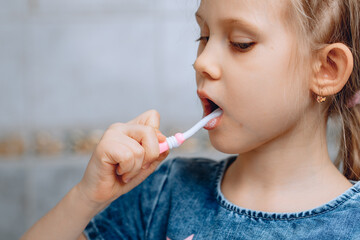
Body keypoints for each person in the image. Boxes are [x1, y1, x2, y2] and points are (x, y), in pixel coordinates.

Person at [22, 0, 360, 239]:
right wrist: (87, 198)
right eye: (204, 37)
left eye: (241, 43)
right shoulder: (163, 194)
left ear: (326, 70)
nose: (202, 62)